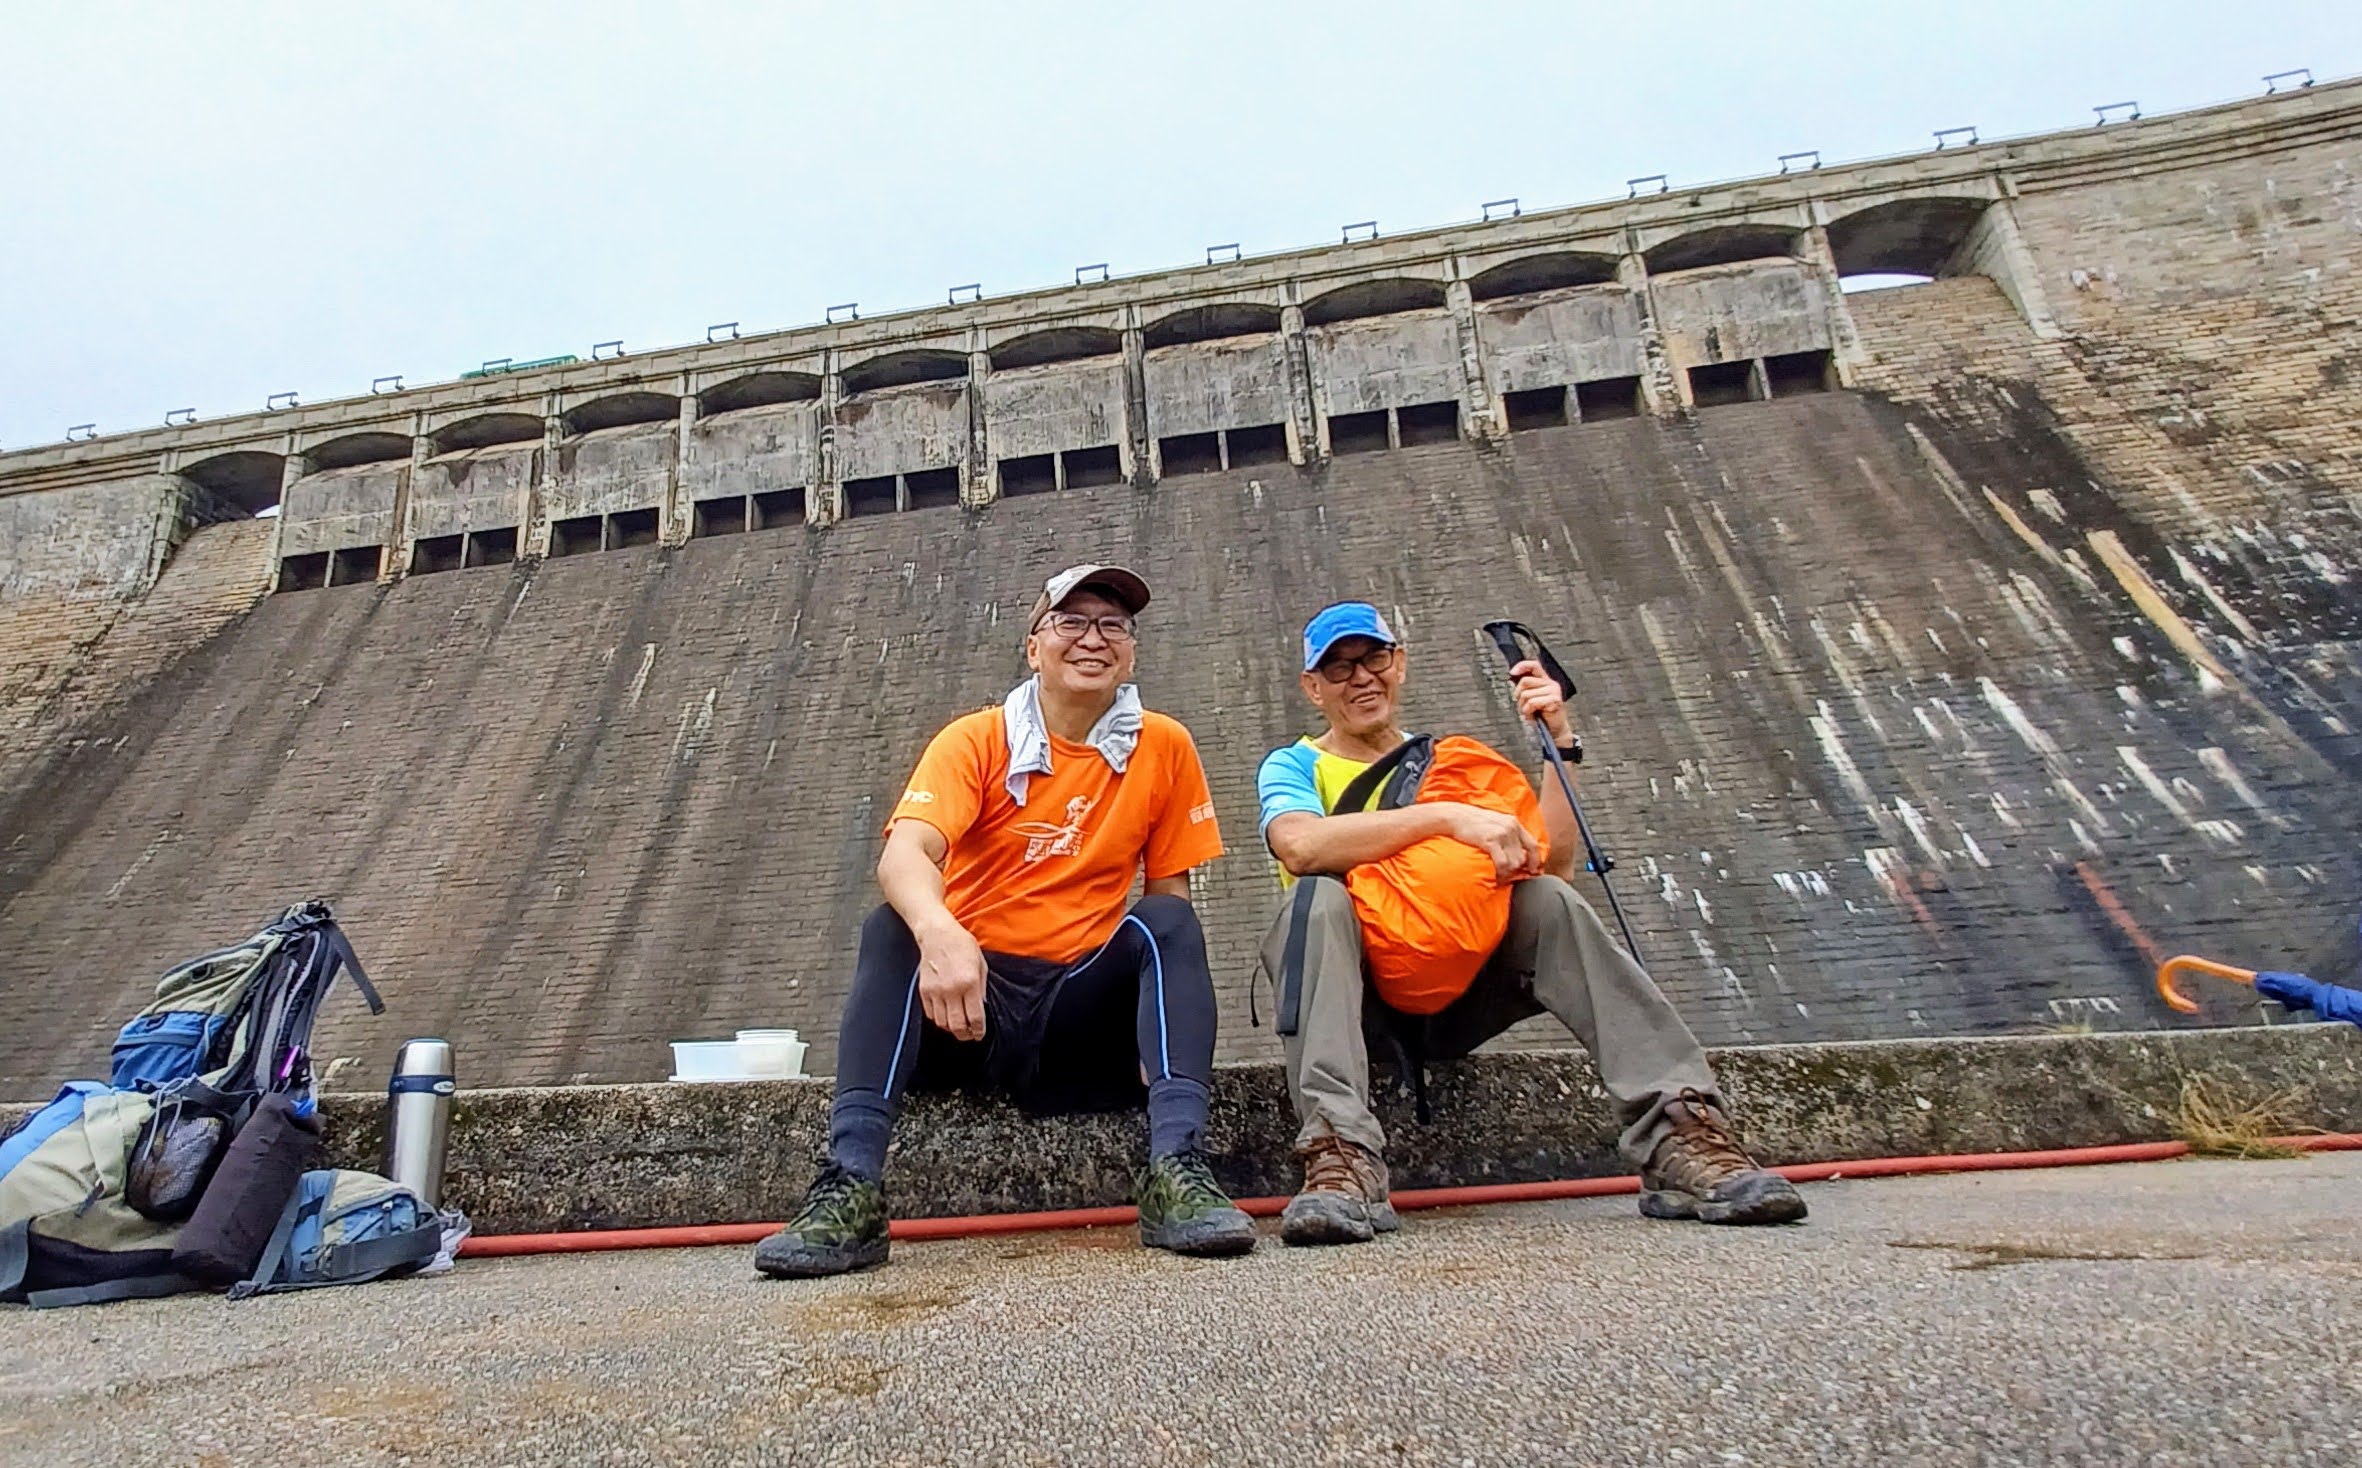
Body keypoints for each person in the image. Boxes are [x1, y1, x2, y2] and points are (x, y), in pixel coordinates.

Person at [756, 564, 1256, 1277]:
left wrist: (1160, 1030)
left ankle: (1178, 1172)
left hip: (1074, 1015)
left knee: (1166, 921)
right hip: (966, 1005)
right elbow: (905, 854)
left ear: (1132, 652)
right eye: (1071, 622)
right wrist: (941, 933)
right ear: (1033, 647)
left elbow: (1168, 892)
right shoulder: (976, 740)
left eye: (1112, 625)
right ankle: (850, 1186)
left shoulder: (1164, 746)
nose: (1093, 639)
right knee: (891, 928)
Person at [1255, 601, 1806, 1246]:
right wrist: (1447, 818)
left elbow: (1554, 866)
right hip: (1354, 1006)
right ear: (1313, 687)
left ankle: (1679, 1133)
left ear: (1398, 663)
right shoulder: (1295, 766)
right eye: (1338, 667)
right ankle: (1339, 1155)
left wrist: (1559, 744)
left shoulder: (1457, 764)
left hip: (1463, 991)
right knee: (1315, 898)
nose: (1361, 677)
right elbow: (1300, 846)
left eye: (1373, 658)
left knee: (1547, 899)